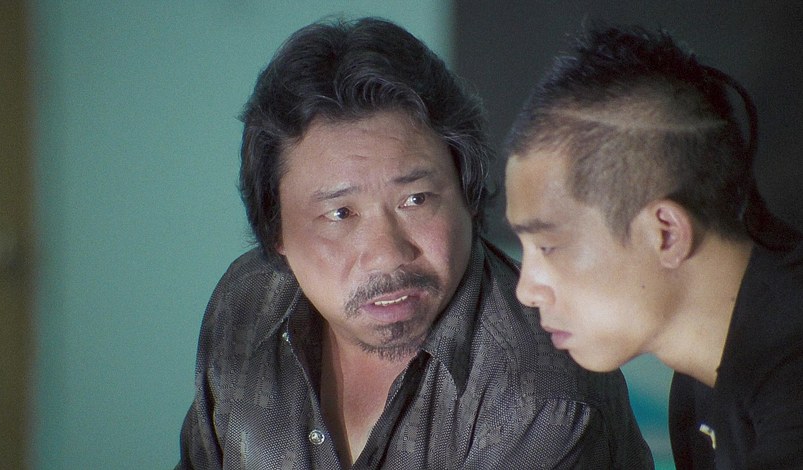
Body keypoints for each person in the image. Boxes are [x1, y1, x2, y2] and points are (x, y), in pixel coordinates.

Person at [177, 17, 652, 469]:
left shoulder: (541, 396)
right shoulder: (248, 303)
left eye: (416, 199)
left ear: (467, 193)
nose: (387, 254)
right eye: (340, 214)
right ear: (276, 230)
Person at [504, 24, 803, 469]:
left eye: (549, 246)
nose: (527, 291)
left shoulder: (789, 373)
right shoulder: (697, 384)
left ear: (666, 233)